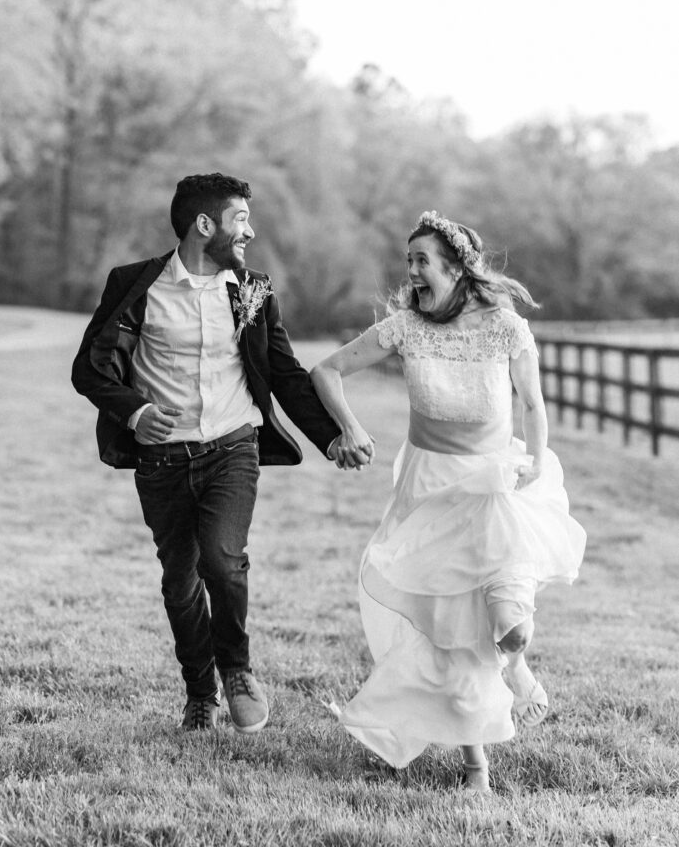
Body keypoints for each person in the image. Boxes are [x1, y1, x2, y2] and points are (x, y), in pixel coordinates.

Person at [72, 173, 371, 733]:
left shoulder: (253, 289)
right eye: (240, 221)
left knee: (222, 558)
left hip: (233, 447)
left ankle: (237, 671)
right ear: (203, 225)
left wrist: (332, 437)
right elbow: (89, 368)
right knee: (180, 581)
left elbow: (282, 372)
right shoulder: (136, 284)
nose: (250, 233)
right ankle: (200, 695)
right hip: (161, 459)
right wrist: (135, 411)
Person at [311, 211, 586, 792]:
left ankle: (515, 665)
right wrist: (351, 429)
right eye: (408, 260)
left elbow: (533, 405)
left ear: (457, 266)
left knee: (510, 626)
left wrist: (535, 465)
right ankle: (476, 767)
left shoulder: (505, 326)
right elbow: (326, 371)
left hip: (494, 484)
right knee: (451, 630)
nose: (411, 271)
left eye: (422, 260)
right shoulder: (405, 327)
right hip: (427, 486)